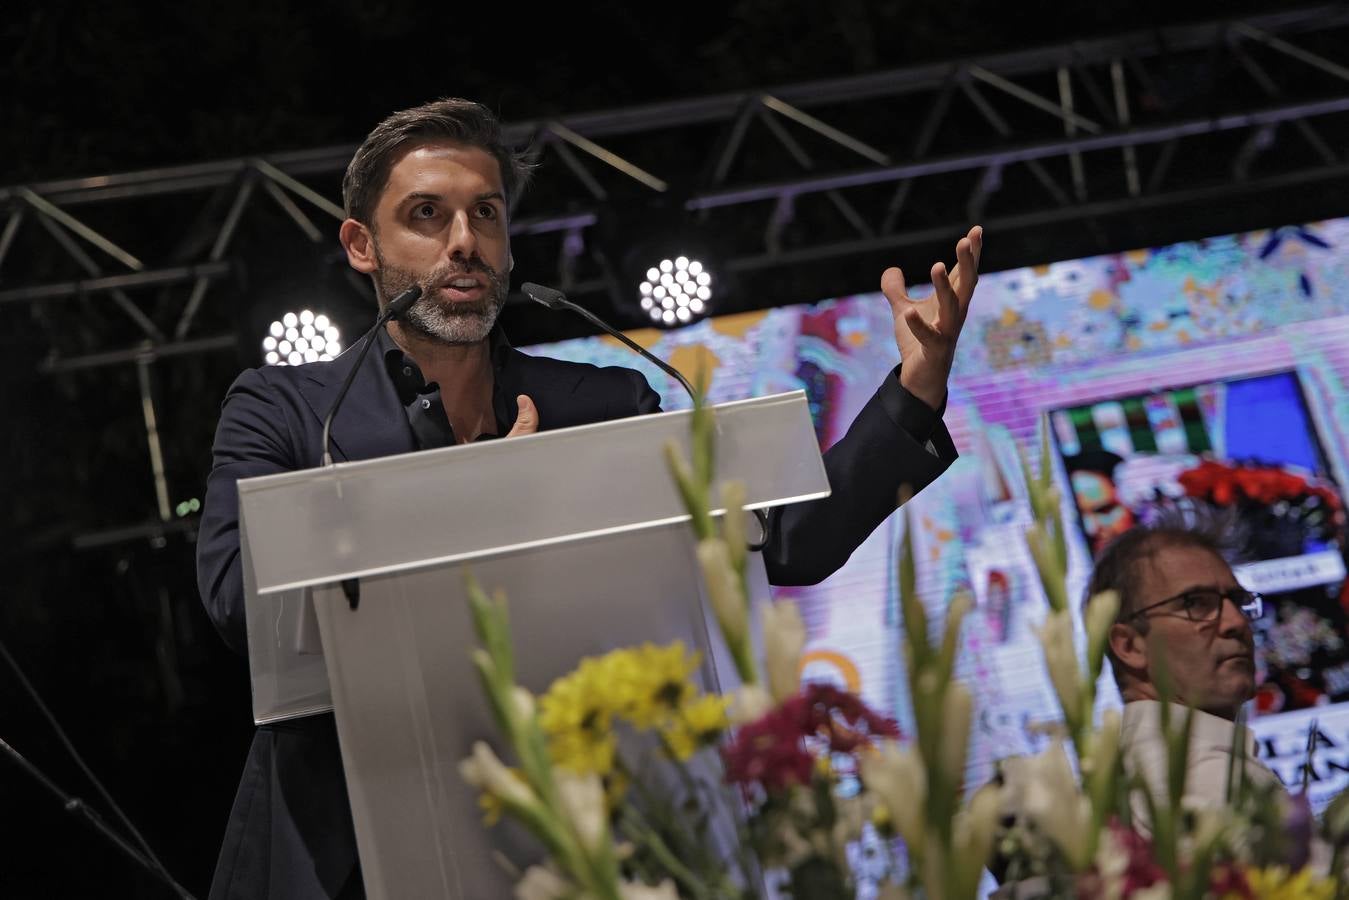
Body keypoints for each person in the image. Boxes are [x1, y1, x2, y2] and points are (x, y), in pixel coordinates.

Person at [197, 97, 983, 900]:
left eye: (486, 214)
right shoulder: (287, 410)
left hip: (583, 843)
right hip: (351, 854)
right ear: (363, 246)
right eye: (426, 216)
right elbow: (235, 599)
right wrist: (479, 500)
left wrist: (915, 392)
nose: (463, 242)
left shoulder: (599, 402)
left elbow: (786, 542)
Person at [1089, 524, 1284, 828]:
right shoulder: (1208, 778)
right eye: (1194, 603)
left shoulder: (1117, 780)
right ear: (1129, 646)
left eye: (1237, 600)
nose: (1236, 622)